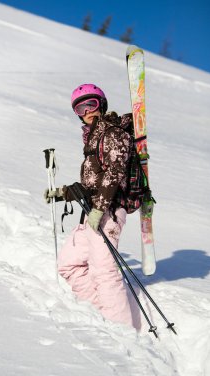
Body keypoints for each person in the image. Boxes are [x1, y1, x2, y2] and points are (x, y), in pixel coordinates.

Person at [44, 84, 134, 325]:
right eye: (80, 109)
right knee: (69, 264)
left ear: (101, 105)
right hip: (92, 213)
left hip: (109, 211)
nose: (87, 111)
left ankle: (122, 330)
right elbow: (95, 182)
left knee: (105, 273)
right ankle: (103, 315)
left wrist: (99, 208)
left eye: (91, 104)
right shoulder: (93, 139)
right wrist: (64, 193)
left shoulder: (114, 133)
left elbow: (115, 174)